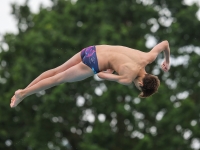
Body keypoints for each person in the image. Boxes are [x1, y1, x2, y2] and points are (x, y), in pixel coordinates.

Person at [10, 41, 170, 108]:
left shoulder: (147, 57)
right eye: (138, 88)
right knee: (57, 79)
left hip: (92, 49)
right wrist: (110, 72)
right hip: (93, 62)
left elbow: (165, 44)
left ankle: (25, 90)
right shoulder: (128, 79)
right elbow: (102, 76)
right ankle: (23, 93)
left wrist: (167, 61)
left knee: (56, 71)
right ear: (141, 84)